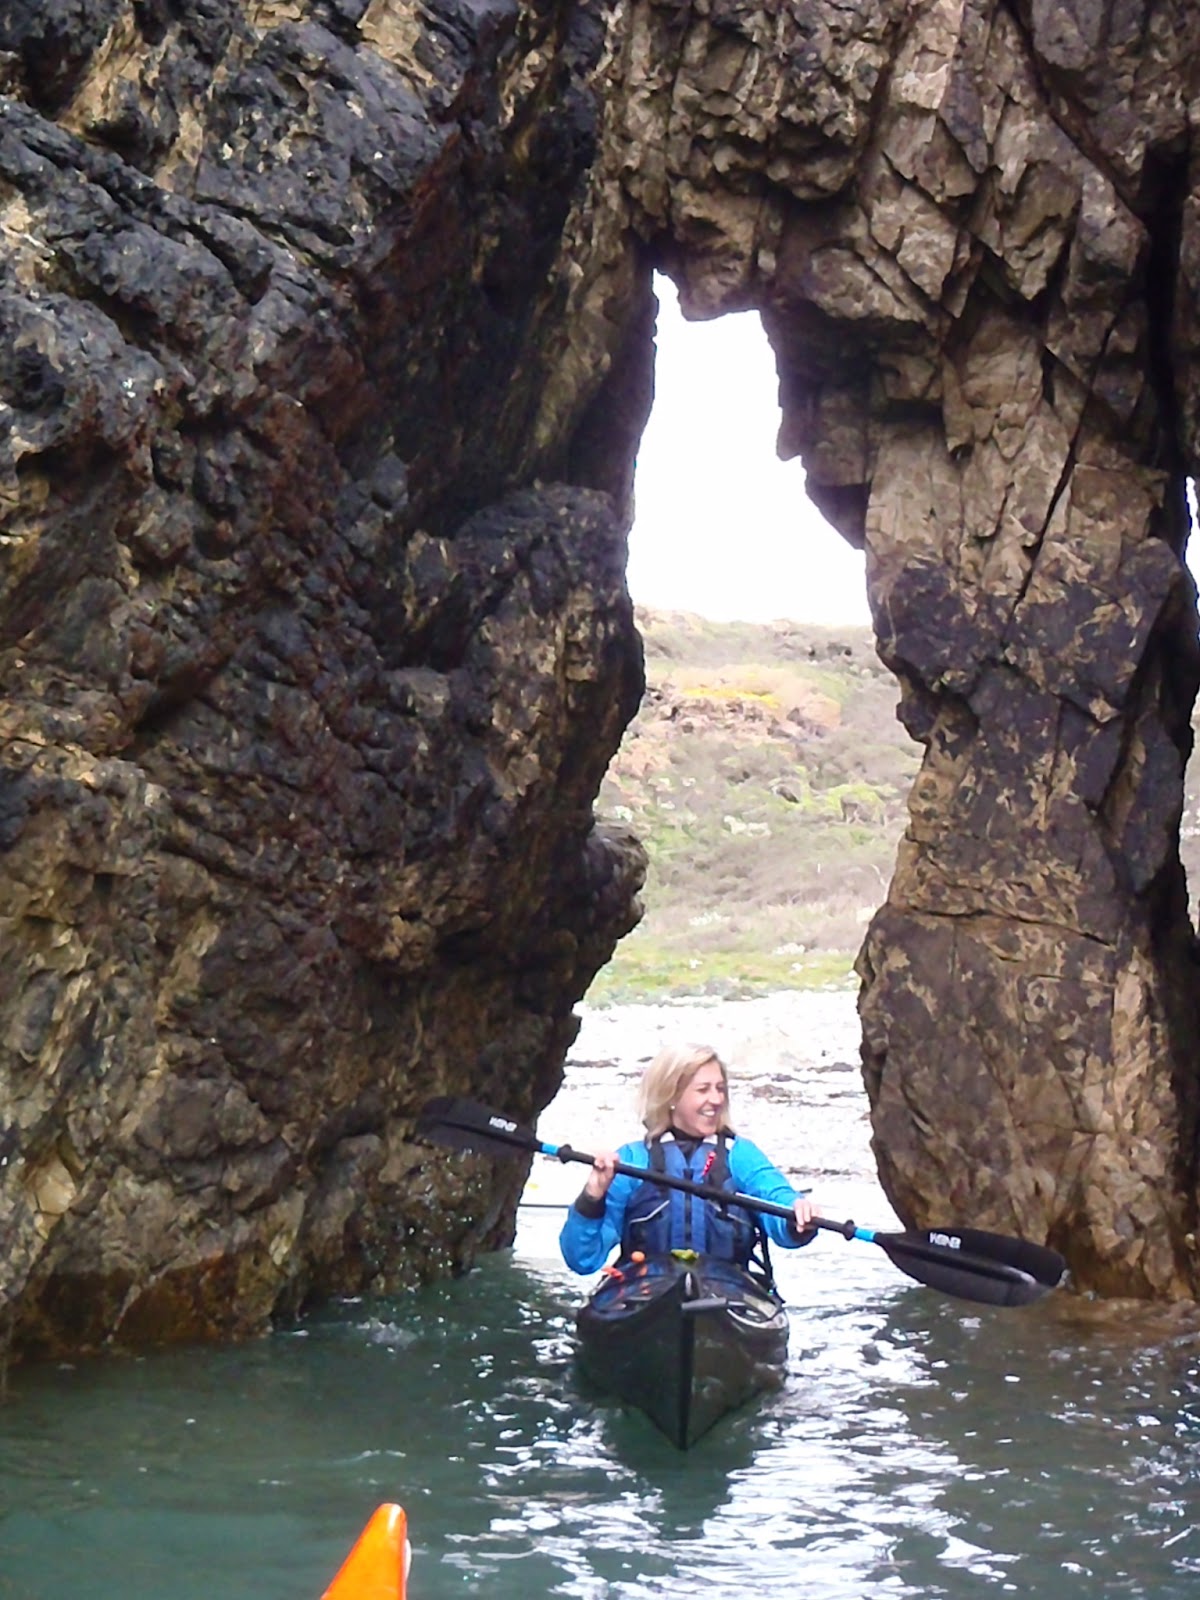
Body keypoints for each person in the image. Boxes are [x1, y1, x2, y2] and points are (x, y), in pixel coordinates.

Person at [559, 1041, 817, 1276]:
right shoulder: (633, 1160)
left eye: (720, 1089)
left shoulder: (739, 1155)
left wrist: (796, 1214)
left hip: (727, 1291)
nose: (716, 1100)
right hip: (647, 1291)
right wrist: (592, 1197)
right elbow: (582, 1259)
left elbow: (775, 1198)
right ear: (671, 1095)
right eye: (703, 1090)